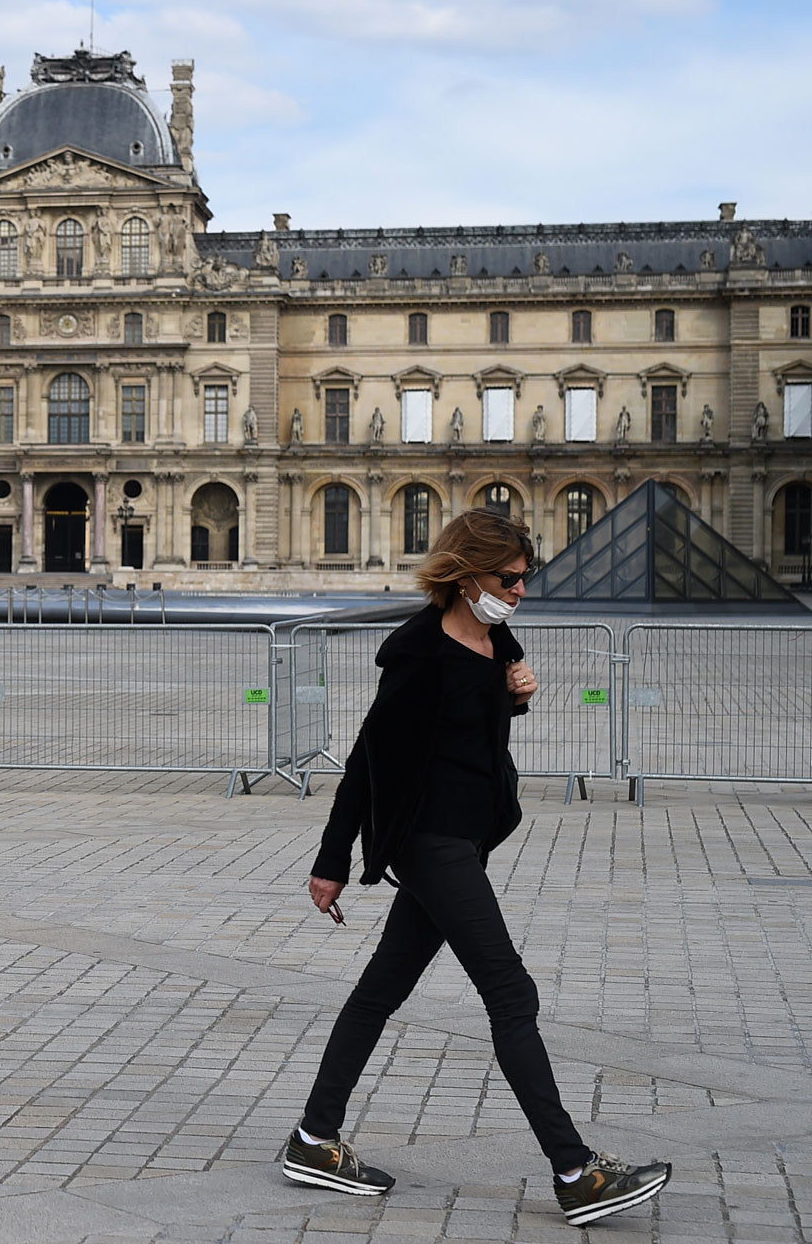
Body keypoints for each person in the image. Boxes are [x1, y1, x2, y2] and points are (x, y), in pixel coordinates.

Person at [280, 509, 671, 1227]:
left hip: (466, 839)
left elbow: (470, 738)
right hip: (429, 843)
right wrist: (331, 860)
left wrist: (514, 698)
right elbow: (369, 759)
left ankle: (313, 1138)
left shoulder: (495, 640)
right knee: (510, 992)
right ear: (466, 577)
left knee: (378, 992)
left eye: (526, 577)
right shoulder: (418, 655)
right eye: (509, 578)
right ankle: (575, 1170)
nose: (521, 590)